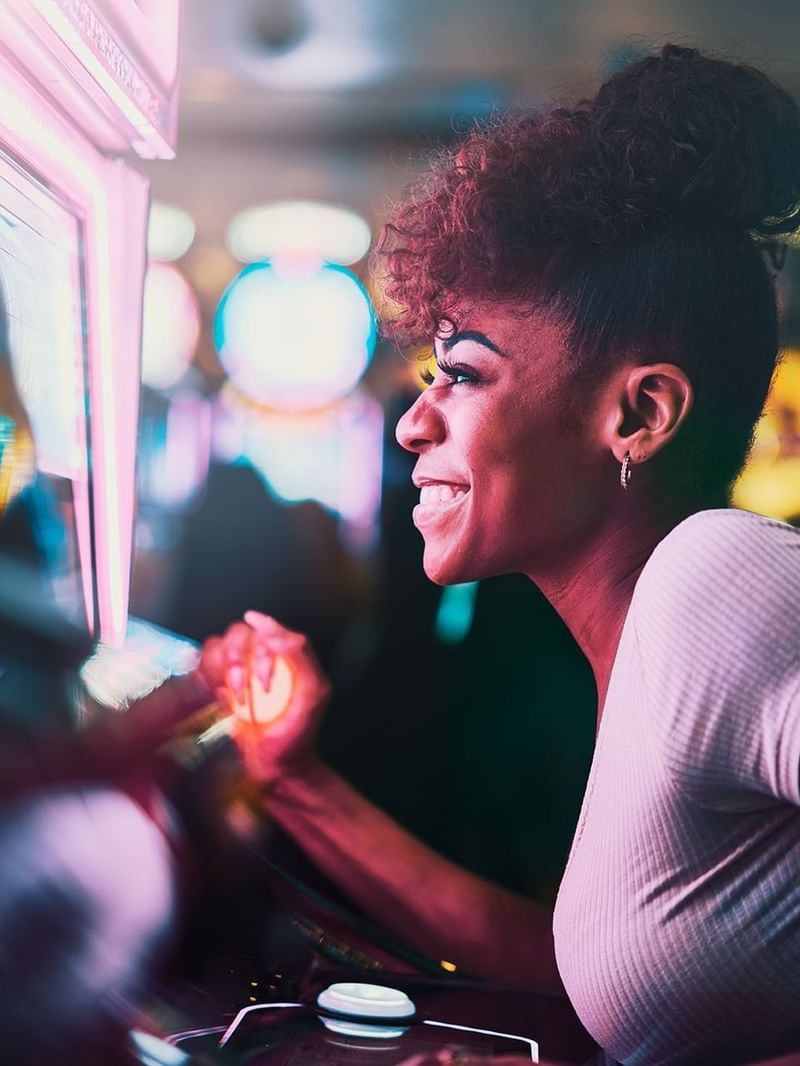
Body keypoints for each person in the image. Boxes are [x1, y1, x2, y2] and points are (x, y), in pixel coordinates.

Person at [200, 44, 800, 1065]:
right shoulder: (643, 636)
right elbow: (583, 978)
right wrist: (294, 775)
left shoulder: (717, 581)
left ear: (638, 412)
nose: (410, 425)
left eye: (463, 375)